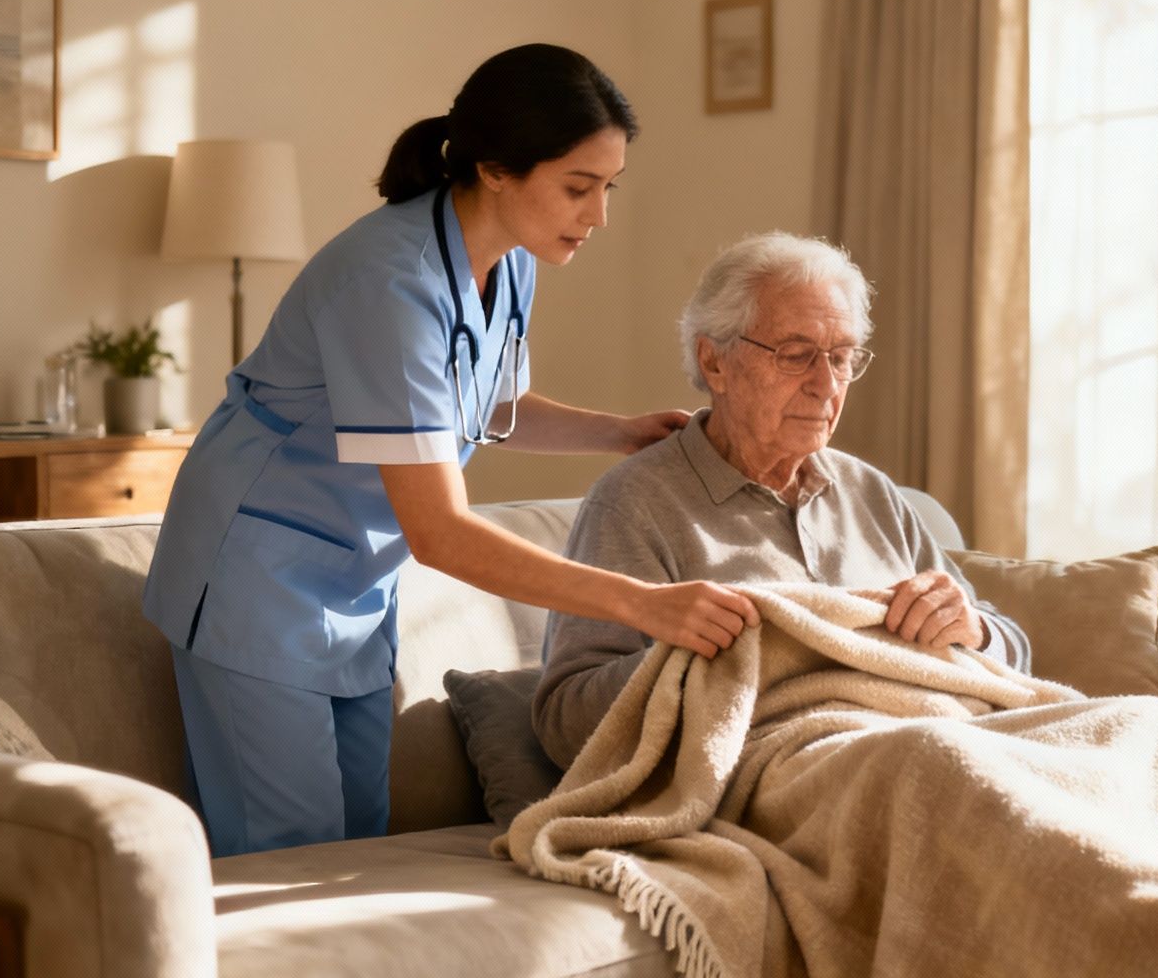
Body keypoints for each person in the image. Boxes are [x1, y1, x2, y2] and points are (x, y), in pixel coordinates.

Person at [144, 44, 761, 857]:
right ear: (497, 168)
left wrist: (616, 431)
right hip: (253, 579)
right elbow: (438, 530)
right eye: (579, 187)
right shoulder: (386, 281)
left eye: (608, 187)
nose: (599, 214)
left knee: (359, 851)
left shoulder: (508, 266)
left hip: (353, 585)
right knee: (287, 857)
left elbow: (480, 404)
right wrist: (639, 604)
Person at [535, 232, 1030, 766]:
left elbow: (1015, 656)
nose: (826, 385)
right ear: (714, 363)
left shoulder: (870, 493)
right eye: (796, 355)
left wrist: (976, 631)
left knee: (1122, 733)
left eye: (842, 358)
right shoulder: (636, 503)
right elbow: (567, 723)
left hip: (943, 740)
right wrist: (701, 661)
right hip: (801, 768)